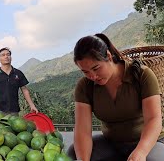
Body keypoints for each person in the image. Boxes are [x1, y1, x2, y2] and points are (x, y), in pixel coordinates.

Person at [67, 33, 164, 161]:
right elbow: (83, 130)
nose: (93, 76)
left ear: (108, 56)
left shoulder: (142, 75)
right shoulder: (84, 86)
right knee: (74, 153)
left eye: (96, 68)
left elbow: (154, 119)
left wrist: (140, 152)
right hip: (111, 143)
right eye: (85, 72)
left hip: (147, 142)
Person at [0, 47, 39, 114]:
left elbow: (24, 89)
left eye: (8, 54)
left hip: (14, 111)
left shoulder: (18, 73)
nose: (6, 56)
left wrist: (32, 105)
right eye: (3, 55)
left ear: (11, 57)